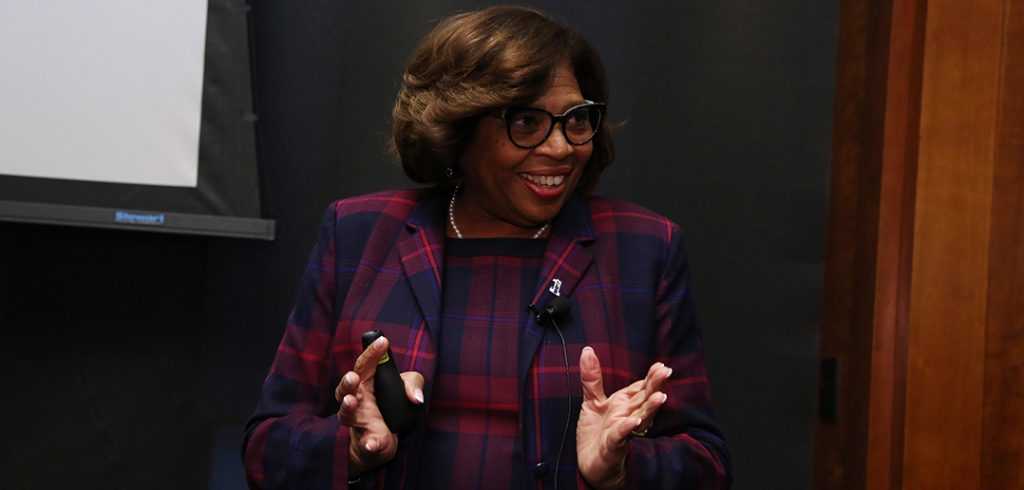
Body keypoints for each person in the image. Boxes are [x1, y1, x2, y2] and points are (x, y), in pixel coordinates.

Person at [243, 6, 731, 489]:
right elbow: (265, 448)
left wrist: (623, 468)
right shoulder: (359, 233)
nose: (561, 148)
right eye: (525, 122)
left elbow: (707, 464)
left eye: (576, 120)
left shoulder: (644, 248)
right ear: (456, 129)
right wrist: (350, 450)